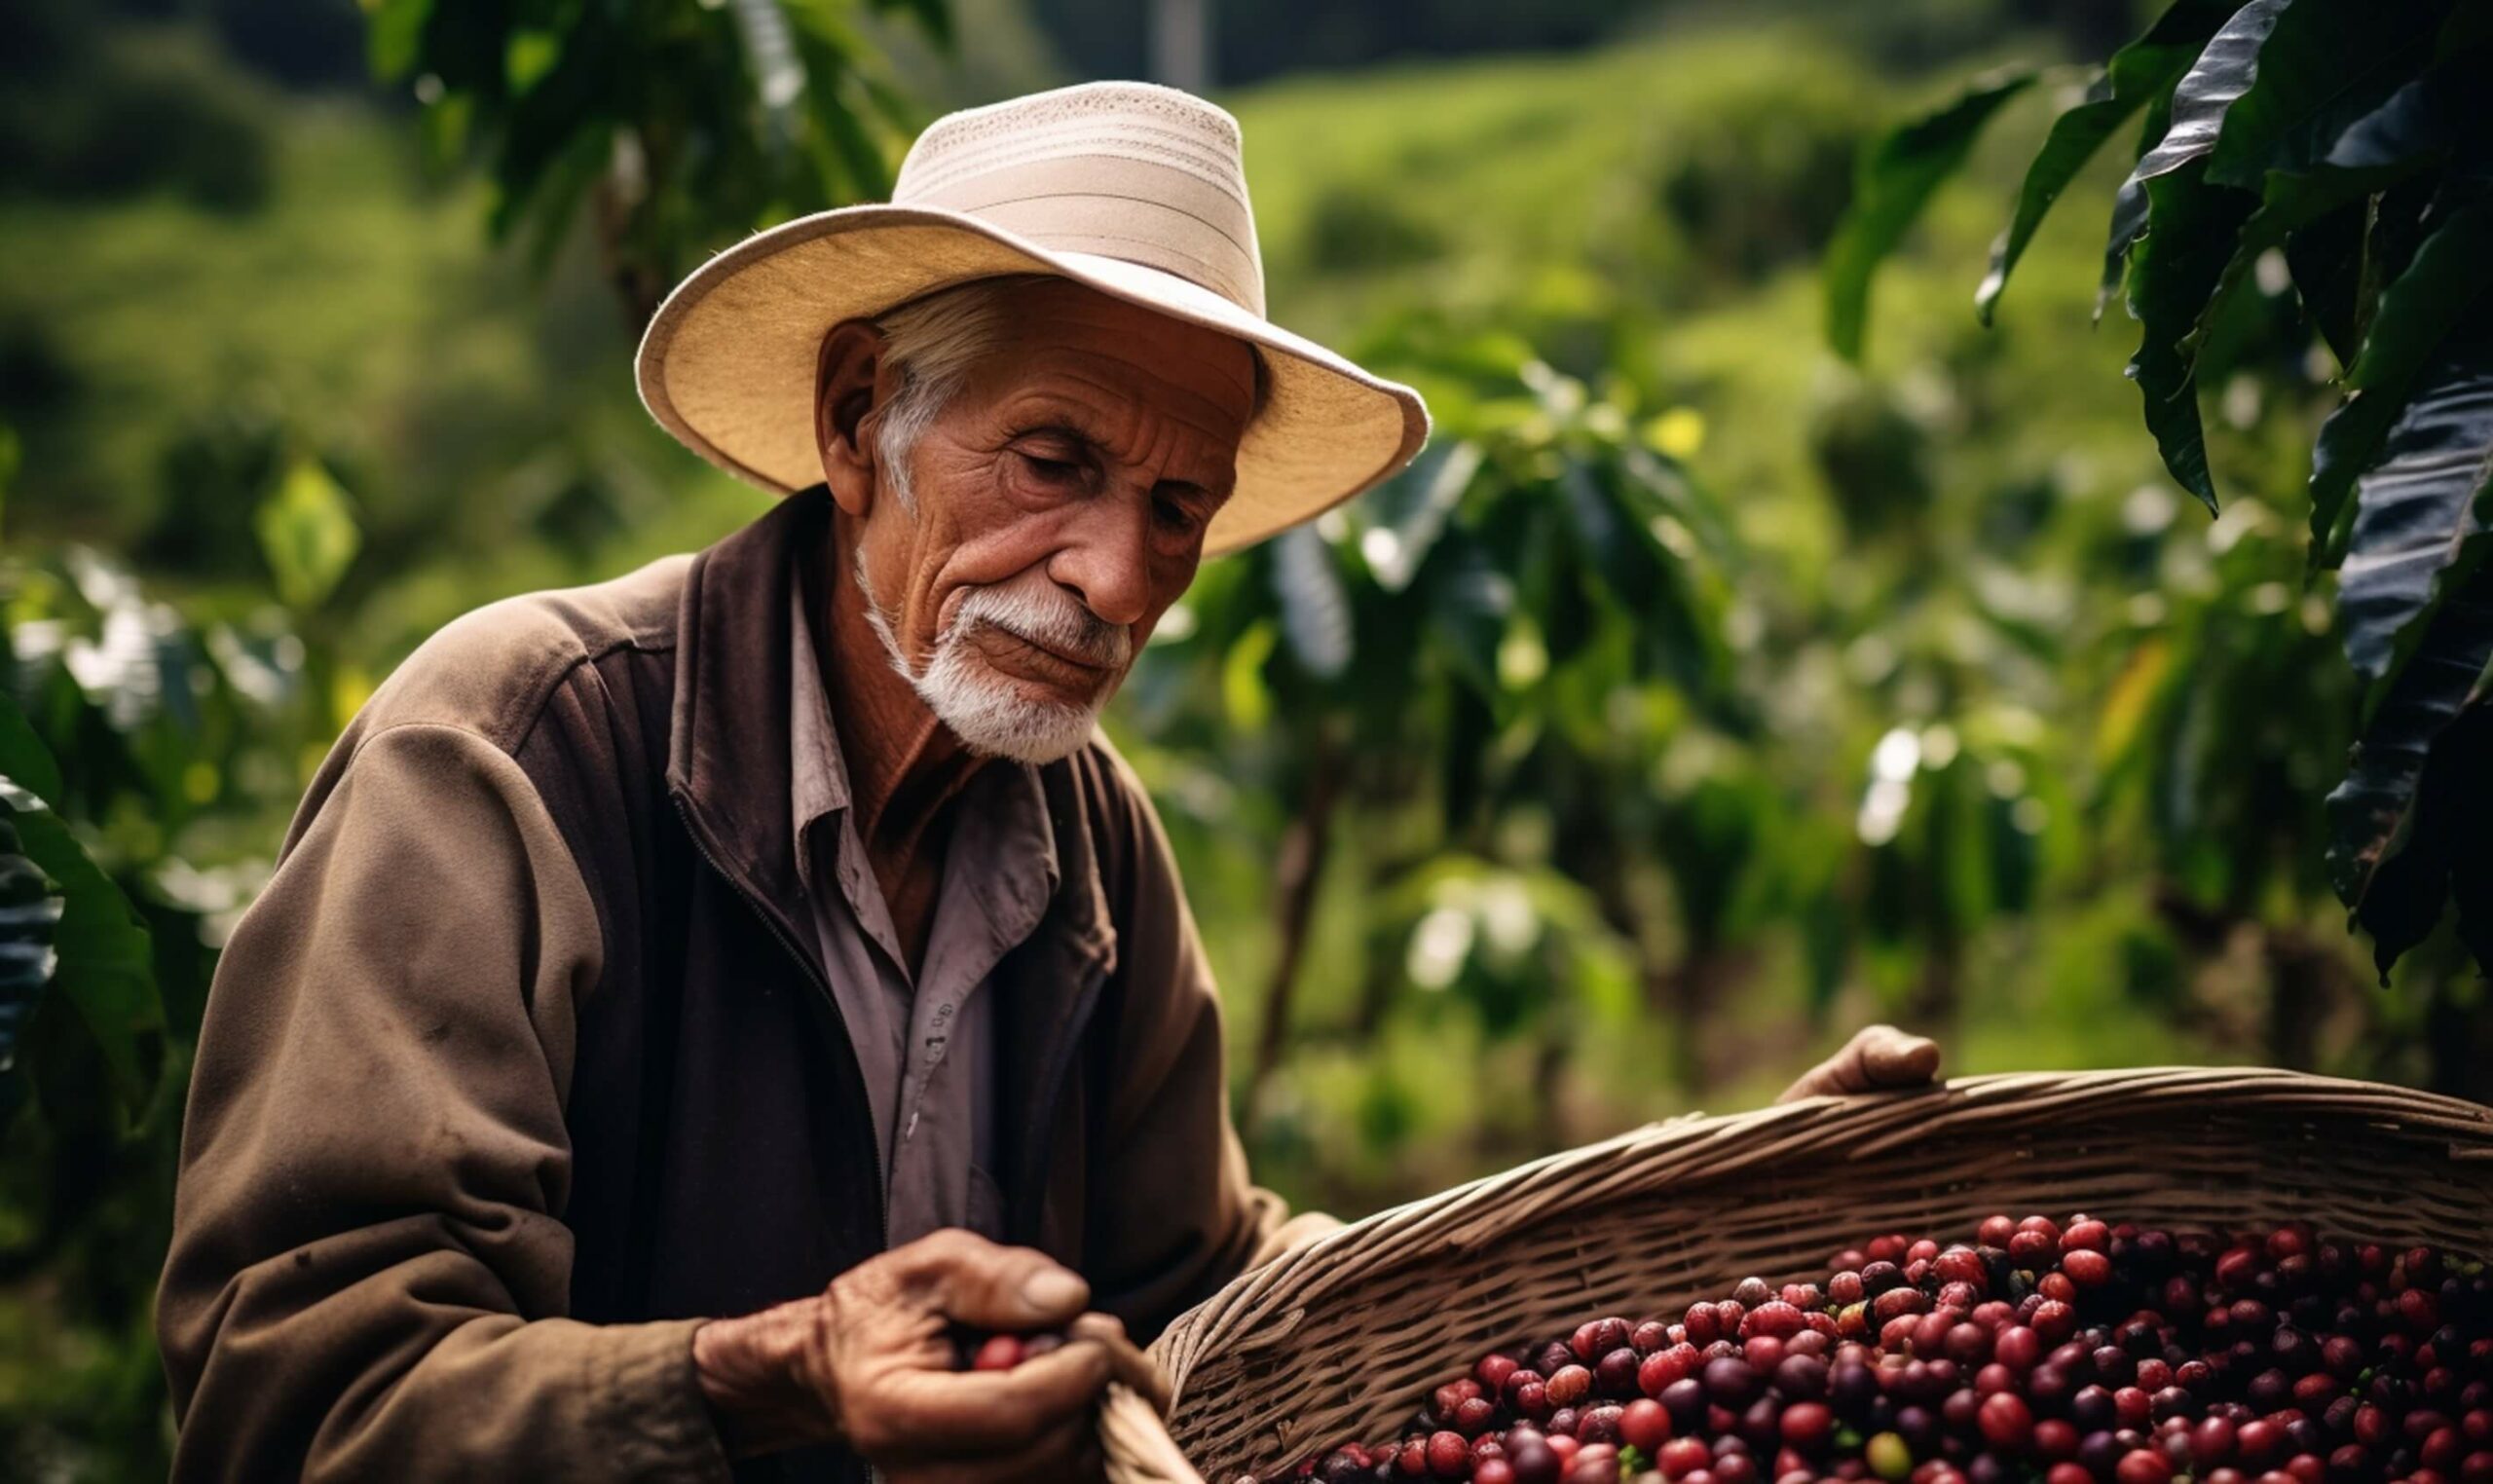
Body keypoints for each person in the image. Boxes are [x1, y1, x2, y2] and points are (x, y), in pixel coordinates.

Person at [155, 81, 1938, 1483]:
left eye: (1179, 508)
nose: (1115, 578)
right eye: (1054, 459)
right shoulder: (518, 752)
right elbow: (293, 1402)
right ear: (861, 422)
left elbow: (1212, 1292)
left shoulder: (1084, 841)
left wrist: (1684, 1246)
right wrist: (774, 1374)